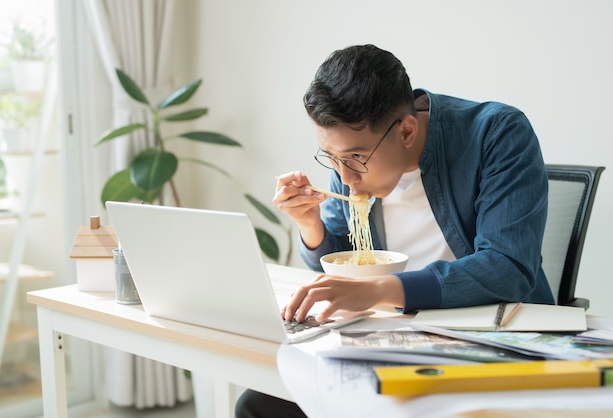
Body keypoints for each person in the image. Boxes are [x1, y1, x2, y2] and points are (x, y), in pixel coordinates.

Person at [235, 44, 555, 418]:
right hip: (394, 337)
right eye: (332, 158)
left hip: (491, 341)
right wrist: (311, 224)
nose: (344, 177)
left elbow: (507, 267)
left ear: (405, 131)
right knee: (256, 406)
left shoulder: (496, 133)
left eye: (355, 158)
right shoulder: (349, 160)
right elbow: (342, 254)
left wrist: (375, 291)